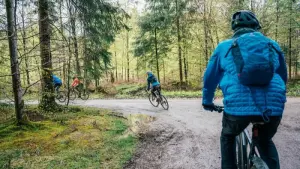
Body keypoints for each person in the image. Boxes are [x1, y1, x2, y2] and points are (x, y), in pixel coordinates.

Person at [202, 10, 287, 169]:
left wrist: (207, 101)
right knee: (265, 140)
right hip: (272, 108)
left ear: (234, 28)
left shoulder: (224, 47)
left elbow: (210, 78)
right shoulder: (272, 45)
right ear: (256, 26)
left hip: (237, 109)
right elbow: (282, 76)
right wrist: (280, 98)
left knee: (228, 136)